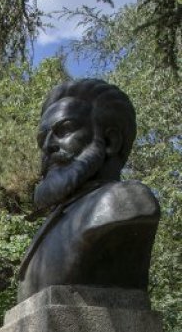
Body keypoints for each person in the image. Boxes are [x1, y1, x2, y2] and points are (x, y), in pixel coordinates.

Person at [19, 78, 160, 302]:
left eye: (63, 130)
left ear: (110, 141)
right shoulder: (61, 218)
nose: (47, 146)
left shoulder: (124, 202)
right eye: (42, 140)